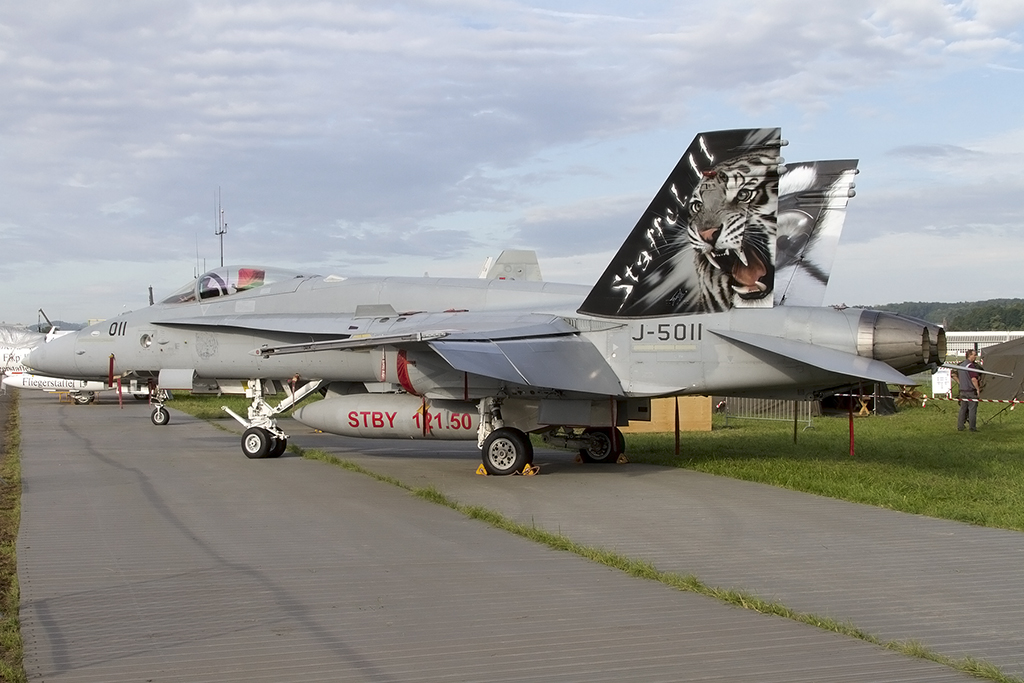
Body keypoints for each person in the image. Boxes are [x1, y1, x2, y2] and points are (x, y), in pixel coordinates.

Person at [956, 349, 981, 432]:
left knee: (963, 409)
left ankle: (960, 426)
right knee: (972, 409)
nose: (975, 356)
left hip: (962, 390)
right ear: (969, 355)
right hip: (970, 391)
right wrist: (978, 389)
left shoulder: (961, 365)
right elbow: (974, 379)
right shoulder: (970, 366)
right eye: (974, 355)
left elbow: (953, 374)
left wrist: (960, 383)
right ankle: (972, 427)